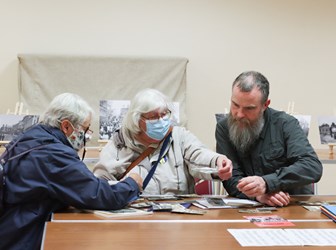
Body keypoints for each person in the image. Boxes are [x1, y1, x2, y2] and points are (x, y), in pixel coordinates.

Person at [0, 93, 143, 250]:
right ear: (66, 126)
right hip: (24, 238)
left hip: (12, 230)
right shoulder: (53, 154)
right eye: (86, 128)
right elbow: (97, 194)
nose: (87, 135)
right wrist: (132, 184)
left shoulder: (30, 138)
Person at [93, 88, 232, 195]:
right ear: (137, 119)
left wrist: (217, 161)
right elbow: (100, 185)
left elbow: (198, 154)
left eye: (164, 114)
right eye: (153, 116)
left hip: (177, 218)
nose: (161, 120)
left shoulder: (179, 136)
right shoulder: (120, 143)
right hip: (137, 218)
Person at [215, 71, 323, 207]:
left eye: (249, 108)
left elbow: (311, 166)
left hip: (292, 205)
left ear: (265, 104)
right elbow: (231, 178)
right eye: (235, 105)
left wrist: (267, 183)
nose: (239, 114)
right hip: (250, 206)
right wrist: (257, 194)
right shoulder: (224, 127)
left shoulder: (285, 124)